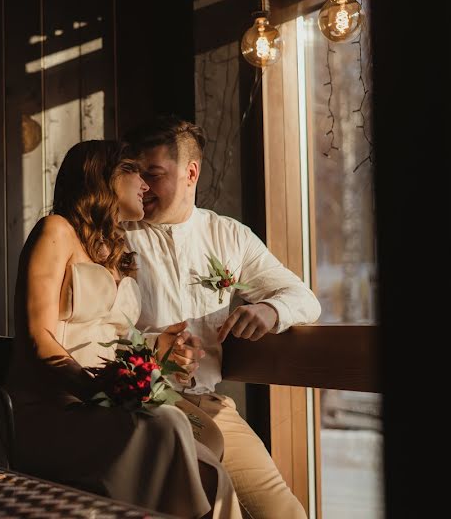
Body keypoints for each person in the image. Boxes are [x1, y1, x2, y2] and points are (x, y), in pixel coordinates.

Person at [7, 140, 242, 519]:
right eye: (134, 171)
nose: (146, 185)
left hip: (107, 405)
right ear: (102, 175)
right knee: (166, 426)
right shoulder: (55, 230)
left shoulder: (116, 251)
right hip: (56, 407)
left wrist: (156, 348)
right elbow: (39, 339)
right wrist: (94, 387)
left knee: (209, 461)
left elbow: (108, 338)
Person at [122, 116, 321, 519]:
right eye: (136, 173)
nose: (142, 186)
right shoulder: (118, 235)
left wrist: (270, 309)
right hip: (136, 409)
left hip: (209, 407)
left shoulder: (229, 236)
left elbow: (304, 298)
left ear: (191, 172)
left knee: (286, 514)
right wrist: (149, 347)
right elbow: (89, 329)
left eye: (154, 174)